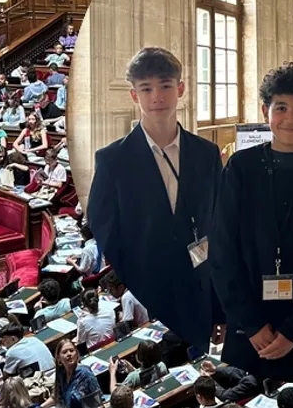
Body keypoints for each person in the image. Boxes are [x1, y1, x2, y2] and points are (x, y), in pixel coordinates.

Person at [210, 63, 293, 385]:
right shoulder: (241, 168)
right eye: (281, 107)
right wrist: (251, 323)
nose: (290, 118)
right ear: (265, 111)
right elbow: (222, 250)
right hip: (247, 321)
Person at [88, 47, 226, 355]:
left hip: (198, 297)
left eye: (165, 86)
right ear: (134, 95)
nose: (157, 97)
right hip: (147, 303)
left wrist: (220, 308)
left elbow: (219, 233)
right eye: (146, 89)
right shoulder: (112, 160)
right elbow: (105, 231)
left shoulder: (206, 154)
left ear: (180, 89)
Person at [46, 339, 102, 408]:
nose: (69, 354)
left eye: (71, 350)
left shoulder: (85, 372)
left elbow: (98, 399)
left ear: (77, 353)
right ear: (58, 359)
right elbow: (56, 396)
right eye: (64, 352)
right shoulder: (61, 374)